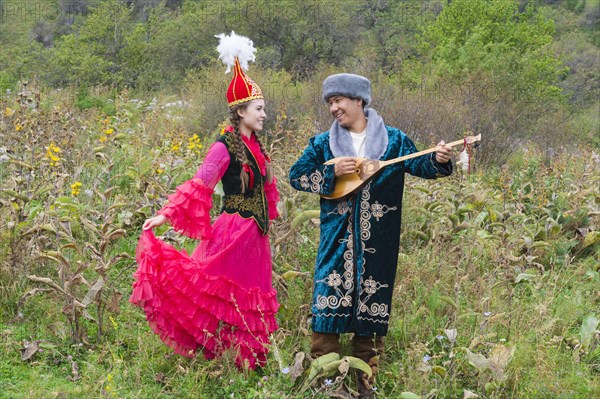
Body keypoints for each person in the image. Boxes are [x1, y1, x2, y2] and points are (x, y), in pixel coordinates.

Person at [289, 73, 453, 397]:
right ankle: (327, 381)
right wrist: (330, 172)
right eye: (330, 103)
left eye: (339, 100)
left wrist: (439, 159)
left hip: (379, 243)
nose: (334, 108)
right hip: (335, 242)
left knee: (372, 307)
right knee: (326, 308)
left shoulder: (394, 141)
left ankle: (365, 380)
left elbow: (422, 165)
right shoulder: (323, 144)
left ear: (359, 101)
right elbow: (297, 176)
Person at [130, 32, 280, 370]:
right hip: (232, 235)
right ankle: (223, 361)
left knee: (246, 301)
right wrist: (164, 216)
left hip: (254, 237)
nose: (264, 114)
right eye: (259, 109)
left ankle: (244, 364)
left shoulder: (256, 146)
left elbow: (264, 191)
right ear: (241, 111)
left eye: (263, 108)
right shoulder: (223, 146)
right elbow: (201, 183)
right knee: (222, 298)